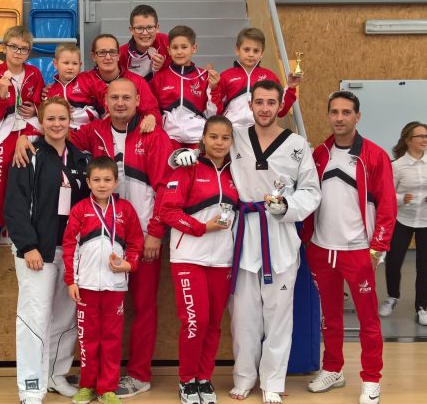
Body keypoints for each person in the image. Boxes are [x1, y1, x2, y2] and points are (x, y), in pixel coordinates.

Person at [16, 78, 173, 398]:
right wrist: (24, 138)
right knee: (93, 315)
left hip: (141, 237)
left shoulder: (154, 134)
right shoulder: (92, 131)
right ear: (105, 100)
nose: (120, 103)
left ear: (137, 100)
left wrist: (155, 233)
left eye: (126, 97)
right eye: (114, 97)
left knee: (143, 307)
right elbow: (56, 132)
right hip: (97, 241)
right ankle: (93, 377)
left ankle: (139, 375)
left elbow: (166, 188)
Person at [174, 80, 321, 404]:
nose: (265, 108)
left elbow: (312, 191)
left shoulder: (297, 145)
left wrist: (288, 206)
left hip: (280, 233)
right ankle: (244, 377)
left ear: (280, 105)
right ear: (250, 105)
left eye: (271, 102)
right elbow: (208, 148)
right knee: (243, 316)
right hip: (241, 235)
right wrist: (182, 155)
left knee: (279, 315)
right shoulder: (236, 136)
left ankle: (272, 381)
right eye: (260, 102)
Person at [301, 91, 397, 404]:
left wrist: (378, 245)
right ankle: (333, 369)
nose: (339, 118)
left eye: (346, 112)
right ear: (328, 115)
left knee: (368, 320)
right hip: (321, 249)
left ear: (358, 116)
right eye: (334, 112)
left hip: (358, 251)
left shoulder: (375, 155)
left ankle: (371, 378)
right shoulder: (319, 153)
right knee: (330, 318)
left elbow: (388, 205)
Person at [5, 97, 90, 404]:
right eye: (50, 119)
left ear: (70, 121)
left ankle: (56, 375)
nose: (56, 124)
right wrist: (27, 246)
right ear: (40, 122)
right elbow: (15, 203)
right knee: (34, 319)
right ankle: (31, 386)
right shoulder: (29, 153)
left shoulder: (80, 158)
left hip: (70, 251)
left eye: (62, 119)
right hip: (37, 252)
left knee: (65, 318)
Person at [160, 115, 238, 404]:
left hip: (222, 259)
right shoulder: (188, 168)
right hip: (188, 256)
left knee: (214, 323)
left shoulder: (236, 171)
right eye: (214, 137)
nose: (219, 142)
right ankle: (186, 380)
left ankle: (204, 378)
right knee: (196, 321)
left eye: (225, 137)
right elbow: (167, 211)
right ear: (203, 139)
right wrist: (202, 227)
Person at [63, 157, 144, 404]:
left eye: (107, 179)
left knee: (111, 338)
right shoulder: (80, 209)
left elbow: (136, 243)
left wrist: (129, 264)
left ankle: (107, 387)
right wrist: (72, 281)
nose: (102, 184)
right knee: (88, 338)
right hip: (86, 286)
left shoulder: (125, 210)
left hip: (114, 286)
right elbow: (69, 246)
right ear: (88, 182)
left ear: (116, 182)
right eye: (96, 180)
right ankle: (87, 384)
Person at [0, 26, 44, 247]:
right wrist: (2, 93)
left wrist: (35, 109)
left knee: (37, 166)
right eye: (14, 47)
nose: (18, 52)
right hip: (4, 127)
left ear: (29, 52)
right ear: (4, 48)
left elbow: (41, 102)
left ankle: (32, 220)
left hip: (30, 125)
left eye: (23, 49)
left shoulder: (34, 73)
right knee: (0, 168)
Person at [379, 121, 427, 324]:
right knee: (393, 262)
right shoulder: (397, 166)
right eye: (420, 136)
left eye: (426, 136)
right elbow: (387, 194)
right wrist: (401, 199)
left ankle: (422, 307)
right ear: (408, 140)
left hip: (425, 222)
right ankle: (392, 296)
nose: (425, 139)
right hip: (402, 220)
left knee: (424, 267)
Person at [211, 27, 301, 129]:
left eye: (256, 51)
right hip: (232, 130)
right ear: (237, 50)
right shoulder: (226, 76)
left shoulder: (270, 76)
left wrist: (291, 87)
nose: (251, 54)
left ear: (261, 53)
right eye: (246, 50)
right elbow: (216, 111)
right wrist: (213, 88)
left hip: (261, 131)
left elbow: (281, 111)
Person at [149, 25, 220, 149]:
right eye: (175, 47)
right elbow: (152, 108)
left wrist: (214, 88)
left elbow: (212, 113)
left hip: (198, 137)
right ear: (169, 50)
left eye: (184, 47)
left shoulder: (204, 76)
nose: (179, 52)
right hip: (169, 137)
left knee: (199, 160)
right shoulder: (160, 77)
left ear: (194, 48)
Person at [79, 34, 161, 131]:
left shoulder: (136, 81)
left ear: (119, 55)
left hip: (128, 134)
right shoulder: (83, 80)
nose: (108, 57)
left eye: (112, 52)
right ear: (93, 56)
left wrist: (151, 117)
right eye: (102, 52)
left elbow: (152, 110)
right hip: (92, 135)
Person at [46, 42, 99, 129]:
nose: (70, 67)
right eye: (66, 63)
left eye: (75, 63)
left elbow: (104, 93)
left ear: (80, 65)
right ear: (55, 64)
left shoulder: (86, 79)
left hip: (86, 122)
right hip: (63, 125)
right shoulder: (51, 89)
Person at [118, 4, 171, 81]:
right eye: (139, 28)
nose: (145, 33)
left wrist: (164, 67)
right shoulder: (121, 54)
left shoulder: (167, 42)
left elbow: (180, 72)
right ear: (131, 30)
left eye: (150, 27)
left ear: (157, 28)